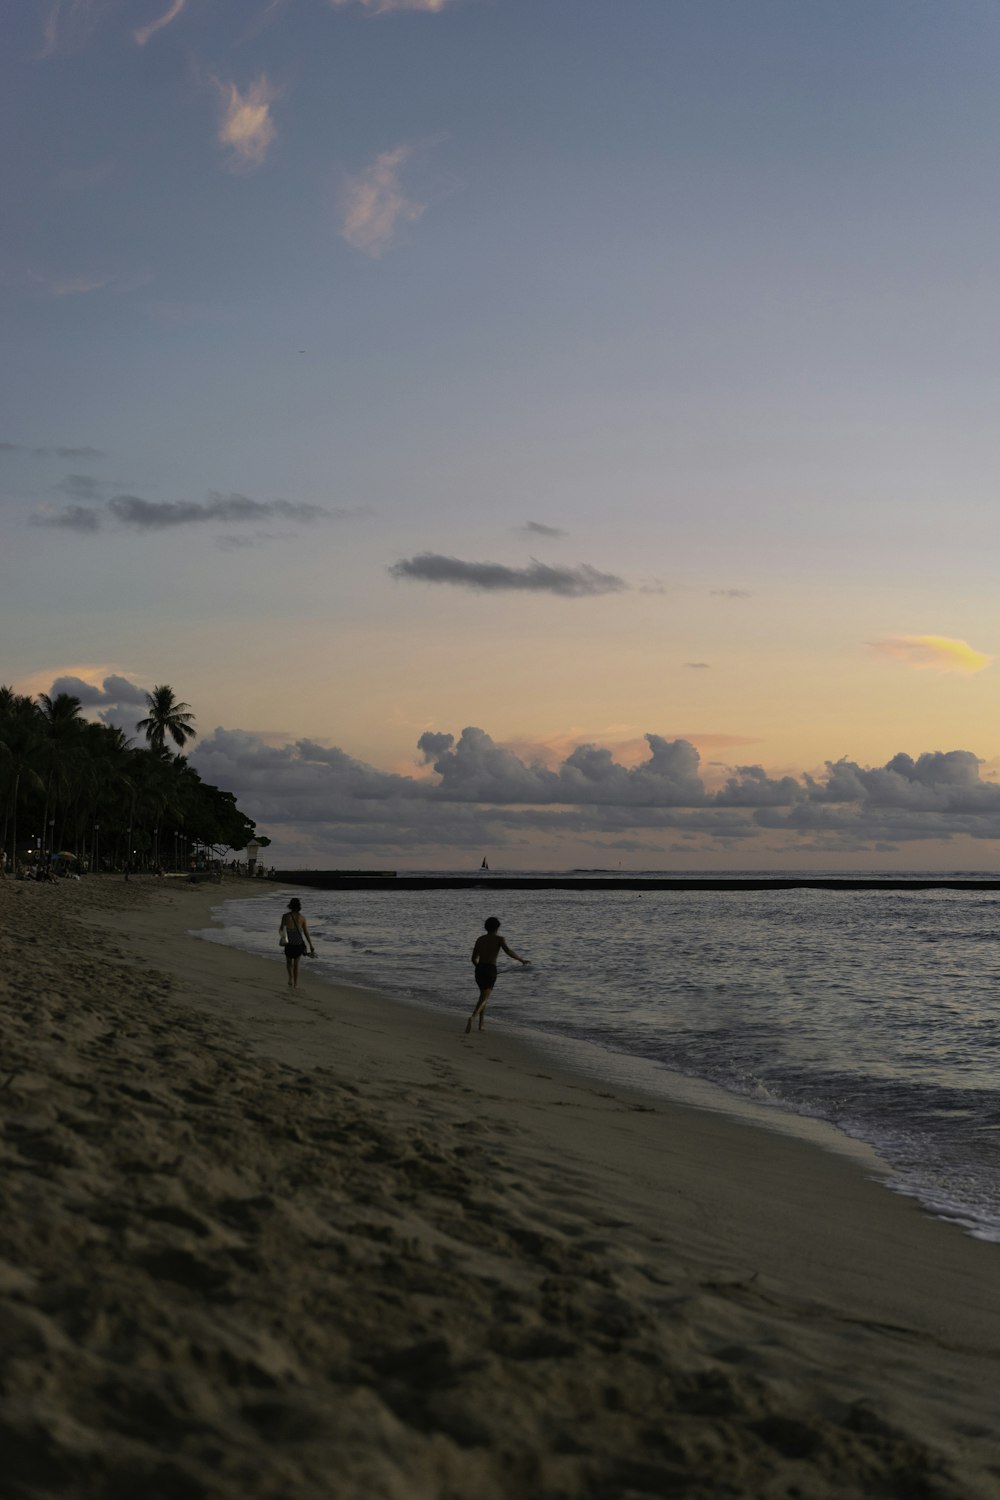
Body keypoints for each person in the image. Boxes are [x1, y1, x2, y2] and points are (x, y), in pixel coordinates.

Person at [465, 916, 529, 1034]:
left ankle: (481, 1025)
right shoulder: (499, 939)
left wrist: (478, 969)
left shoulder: (480, 939)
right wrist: (521, 960)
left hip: (479, 970)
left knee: (482, 996)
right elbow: (508, 951)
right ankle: (473, 1017)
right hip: (490, 970)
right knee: (485, 997)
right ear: (497, 927)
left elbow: (473, 959)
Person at [279, 897, 315, 990]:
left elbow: (281, 930)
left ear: (290, 905)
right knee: (296, 964)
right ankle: (296, 984)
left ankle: (290, 978)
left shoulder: (285, 916)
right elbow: (306, 933)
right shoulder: (302, 918)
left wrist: (284, 935)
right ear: (299, 906)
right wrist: (311, 945)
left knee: (288, 962)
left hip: (289, 944)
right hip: (298, 944)